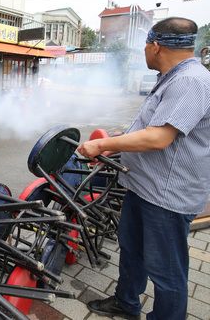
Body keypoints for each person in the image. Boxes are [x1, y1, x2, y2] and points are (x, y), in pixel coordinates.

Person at [77, 17, 210, 320]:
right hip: (144, 186)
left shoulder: (191, 81)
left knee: (166, 271)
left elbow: (159, 137)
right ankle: (126, 303)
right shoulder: (173, 76)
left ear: (156, 45)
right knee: (132, 251)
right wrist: (114, 144)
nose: (145, 52)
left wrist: (100, 146)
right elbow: (148, 127)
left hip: (167, 195)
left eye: (146, 46)